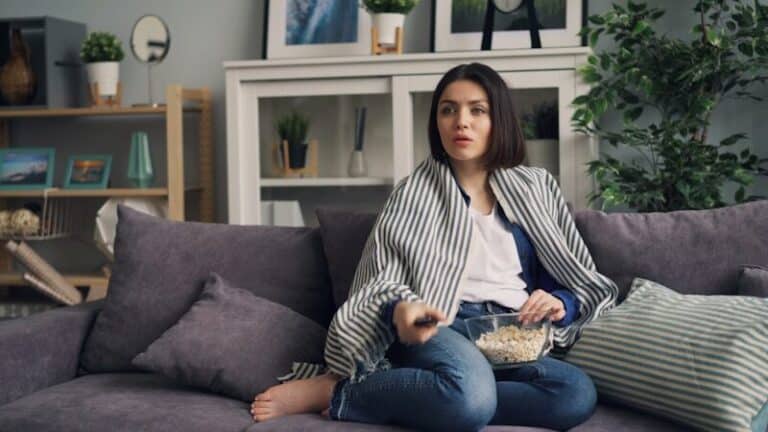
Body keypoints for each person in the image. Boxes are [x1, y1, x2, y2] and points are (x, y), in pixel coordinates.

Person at [250, 63, 618, 431]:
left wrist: (561, 303)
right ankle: (342, 393)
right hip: (443, 327)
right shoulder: (414, 192)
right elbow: (382, 278)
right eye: (448, 109)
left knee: (575, 393)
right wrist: (403, 309)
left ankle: (438, 393)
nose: (461, 121)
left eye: (477, 110)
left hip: (512, 330)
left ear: (499, 120)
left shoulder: (536, 187)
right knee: (469, 399)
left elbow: (577, 278)